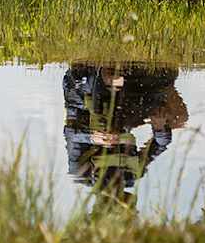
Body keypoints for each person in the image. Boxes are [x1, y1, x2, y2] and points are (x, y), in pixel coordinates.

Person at [62, 63, 188, 205]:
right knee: (179, 118)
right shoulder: (132, 174)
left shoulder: (81, 172)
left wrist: (92, 137)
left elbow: (70, 133)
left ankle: (105, 66)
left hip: (82, 93)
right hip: (125, 106)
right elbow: (160, 144)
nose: (117, 188)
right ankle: (154, 69)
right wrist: (159, 128)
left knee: (110, 82)